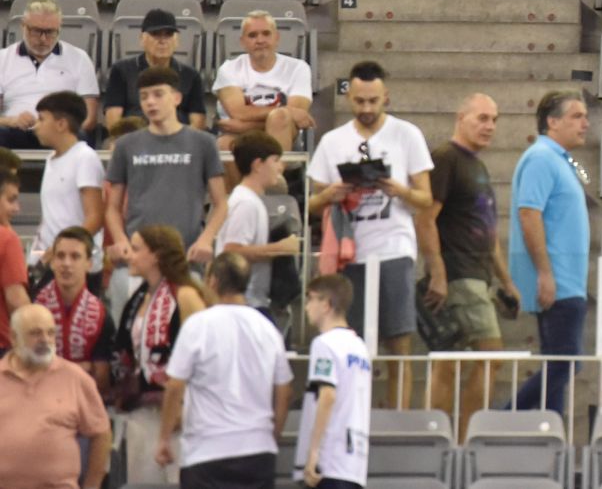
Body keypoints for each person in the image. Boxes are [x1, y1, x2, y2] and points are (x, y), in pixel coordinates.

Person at [308, 61, 433, 406]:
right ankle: (351, 414)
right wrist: (331, 194)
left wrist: (399, 190)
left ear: (385, 98)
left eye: (373, 101)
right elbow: (311, 205)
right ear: (350, 96)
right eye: (360, 101)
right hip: (351, 251)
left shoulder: (406, 135)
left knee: (399, 342)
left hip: (394, 248)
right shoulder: (334, 141)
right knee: (353, 342)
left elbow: (425, 198)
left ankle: (398, 418)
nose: (366, 109)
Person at [422, 94, 519, 442]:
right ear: (460, 117)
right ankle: (462, 440)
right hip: (459, 275)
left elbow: (489, 232)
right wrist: (438, 273)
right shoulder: (446, 159)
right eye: (482, 118)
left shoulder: (477, 166)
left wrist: (506, 281)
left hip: (477, 276)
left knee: (449, 361)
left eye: (494, 119)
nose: (489, 126)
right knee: (489, 359)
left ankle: (443, 439)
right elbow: (426, 218)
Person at [156, 253, 293, 488]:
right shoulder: (268, 329)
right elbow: (285, 390)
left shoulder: (199, 325)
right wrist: (272, 436)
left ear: (213, 281)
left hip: (207, 454)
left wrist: (164, 437)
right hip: (258, 453)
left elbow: (176, 385)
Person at [509, 91, 592, 412]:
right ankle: (504, 419)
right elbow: (529, 213)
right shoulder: (542, 158)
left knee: (558, 367)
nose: (585, 123)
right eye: (576, 116)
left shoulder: (555, 159)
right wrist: (545, 272)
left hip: (565, 279)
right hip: (558, 281)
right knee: (565, 363)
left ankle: (550, 437)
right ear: (552, 122)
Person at [112, 225, 208, 483]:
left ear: (156, 255)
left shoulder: (186, 296)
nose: (129, 255)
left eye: (136, 249)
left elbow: (205, 356)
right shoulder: (138, 298)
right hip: (141, 408)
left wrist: (183, 402)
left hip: (179, 411)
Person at [106, 68, 226, 268]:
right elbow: (112, 207)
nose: (150, 102)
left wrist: (206, 239)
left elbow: (221, 203)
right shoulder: (125, 145)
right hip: (137, 255)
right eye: (144, 97)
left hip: (186, 255)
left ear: (177, 98)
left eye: (158, 94)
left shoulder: (203, 143)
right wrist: (120, 240)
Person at [0, 304, 111, 489]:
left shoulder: (75, 377)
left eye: (51, 333)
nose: (45, 340)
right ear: (13, 337)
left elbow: (101, 434)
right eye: (35, 333)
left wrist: (92, 486)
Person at [298, 273, 375, 489]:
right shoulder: (360, 347)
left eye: (311, 299)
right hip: (354, 463)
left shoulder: (325, 344)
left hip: (330, 459)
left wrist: (313, 453)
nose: (306, 307)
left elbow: (328, 395)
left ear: (326, 304)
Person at [0, 0, 98, 148]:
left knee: (81, 137)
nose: (43, 39)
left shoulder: (79, 58)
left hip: (61, 130)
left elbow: (90, 117)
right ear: (23, 26)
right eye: (36, 31)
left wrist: (63, 127)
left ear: (60, 28)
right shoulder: (3, 59)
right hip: (13, 130)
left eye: (50, 32)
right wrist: (11, 120)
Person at [216, 132, 298, 311]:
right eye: (275, 160)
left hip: (251, 301)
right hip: (245, 303)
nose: (280, 167)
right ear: (258, 165)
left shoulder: (250, 201)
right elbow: (232, 251)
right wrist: (280, 248)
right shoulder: (246, 203)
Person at [212, 11, 315, 150]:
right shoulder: (229, 69)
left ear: (277, 37)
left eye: (266, 34)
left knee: (281, 118)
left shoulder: (298, 68)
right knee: (224, 145)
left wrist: (244, 126)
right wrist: (283, 114)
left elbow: (295, 118)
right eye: (252, 35)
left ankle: (273, 171)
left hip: (285, 138)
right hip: (238, 138)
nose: (260, 40)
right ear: (243, 42)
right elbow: (238, 112)